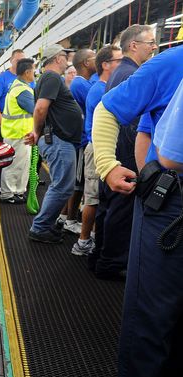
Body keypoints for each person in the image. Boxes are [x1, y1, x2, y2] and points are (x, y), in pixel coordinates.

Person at [92, 43, 183, 377]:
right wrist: (107, 165)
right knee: (153, 308)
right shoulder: (173, 62)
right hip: (172, 206)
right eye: (145, 39)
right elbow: (110, 110)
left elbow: (148, 126)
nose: (150, 43)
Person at [89, 24, 157, 280]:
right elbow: (130, 121)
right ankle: (111, 262)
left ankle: (100, 256)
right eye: (149, 42)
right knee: (121, 209)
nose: (154, 47)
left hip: (114, 149)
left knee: (108, 206)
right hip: (125, 151)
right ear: (134, 45)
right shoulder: (132, 74)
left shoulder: (121, 72)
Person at [24, 44, 82, 244]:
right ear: (58, 58)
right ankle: (40, 228)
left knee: (62, 186)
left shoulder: (48, 78)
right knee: (62, 187)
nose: (67, 60)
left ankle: (45, 225)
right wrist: (37, 132)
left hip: (57, 140)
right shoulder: (51, 77)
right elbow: (41, 109)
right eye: (65, 56)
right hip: (58, 140)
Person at [72, 45, 122, 257]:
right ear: (106, 65)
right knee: (92, 197)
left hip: (99, 147)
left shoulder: (104, 87)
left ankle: (92, 237)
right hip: (96, 148)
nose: (124, 64)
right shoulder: (99, 90)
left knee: (96, 196)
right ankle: (83, 242)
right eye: (120, 60)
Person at [60, 49, 97, 237]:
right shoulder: (82, 85)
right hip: (81, 139)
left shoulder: (80, 83)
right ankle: (71, 220)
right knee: (78, 183)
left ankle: (65, 214)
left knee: (76, 181)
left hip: (78, 138)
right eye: (94, 58)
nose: (97, 60)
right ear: (85, 63)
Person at [0, 49, 26, 195]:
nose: (20, 63)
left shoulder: (26, 78)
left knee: (17, 157)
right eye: (17, 60)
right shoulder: (3, 78)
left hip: (20, 126)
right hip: (4, 122)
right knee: (0, 155)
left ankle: (15, 186)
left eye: (23, 61)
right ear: (11, 60)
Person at [0, 58, 35, 203]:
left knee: (20, 165)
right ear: (27, 72)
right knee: (14, 166)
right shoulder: (22, 91)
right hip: (17, 134)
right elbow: (35, 110)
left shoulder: (18, 86)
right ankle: (8, 194)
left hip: (18, 133)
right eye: (34, 71)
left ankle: (17, 192)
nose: (35, 74)